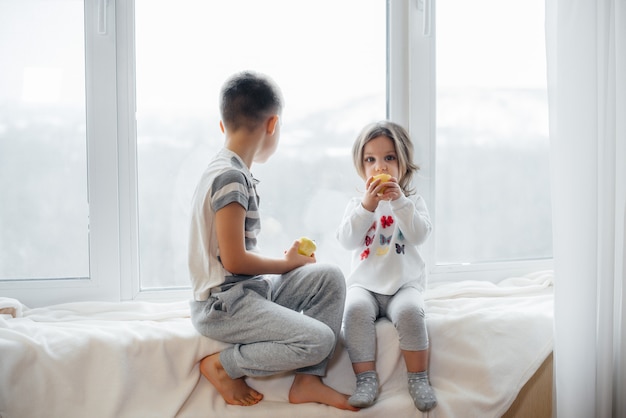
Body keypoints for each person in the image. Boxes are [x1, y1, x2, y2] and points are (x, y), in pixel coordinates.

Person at [188, 71, 356, 411]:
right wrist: (286, 264)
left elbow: (231, 256)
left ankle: (308, 380)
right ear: (273, 124)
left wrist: (282, 267)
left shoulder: (230, 170)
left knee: (329, 277)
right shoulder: (231, 177)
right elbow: (234, 262)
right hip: (223, 307)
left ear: (224, 125)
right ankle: (223, 365)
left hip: (244, 293)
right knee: (322, 339)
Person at [336, 120, 437, 411]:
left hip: (404, 284)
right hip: (364, 285)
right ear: (361, 166)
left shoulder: (412, 202)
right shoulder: (358, 205)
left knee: (410, 312)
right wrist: (366, 207)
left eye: (389, 158)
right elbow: (346, 240)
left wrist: (400, 202)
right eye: (371, 160)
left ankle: (418, 378)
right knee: (354, 310)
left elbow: (419, 235)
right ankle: (365, 379)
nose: (380, 167)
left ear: (403, 163)